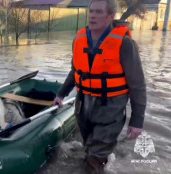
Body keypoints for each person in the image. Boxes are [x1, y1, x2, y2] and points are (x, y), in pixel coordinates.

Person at [53, 0, 146, 173]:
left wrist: (137, 121)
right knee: (88, 147)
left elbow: (138, 85)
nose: (93, 16)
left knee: (94, 159)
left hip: (111, 107)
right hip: (84, 105)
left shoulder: (125, 44)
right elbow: (75, 71)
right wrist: (61, 94)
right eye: (91, 12)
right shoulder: (79, 39)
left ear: (111, 16)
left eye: (98, 12)